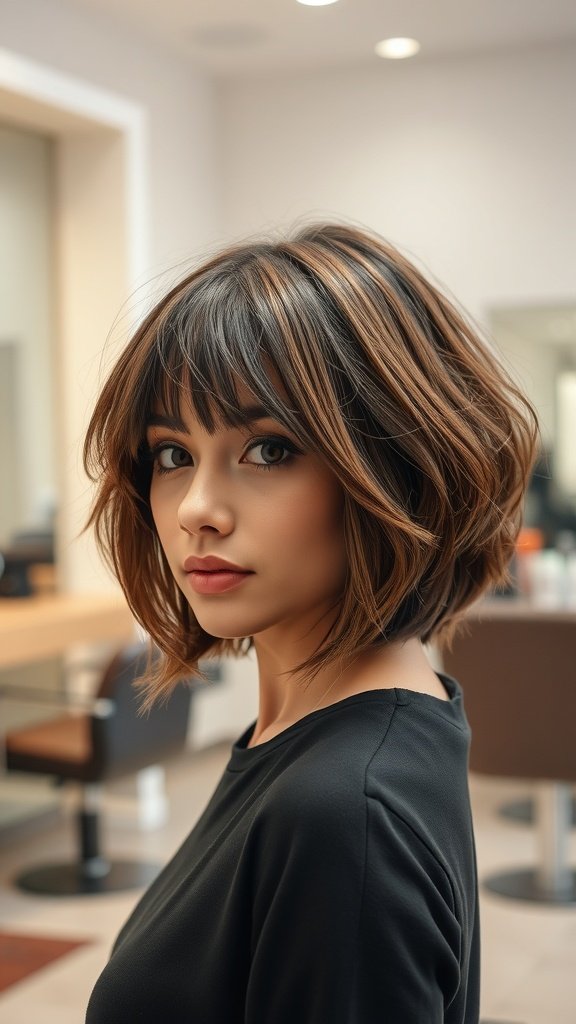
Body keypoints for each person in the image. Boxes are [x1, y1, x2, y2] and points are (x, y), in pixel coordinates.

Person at [83, 222, 538, 1023]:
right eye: (171, 454)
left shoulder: (342, 812)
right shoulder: (348, 729)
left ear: (394, 466)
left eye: (267, 450)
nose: (197, 510)